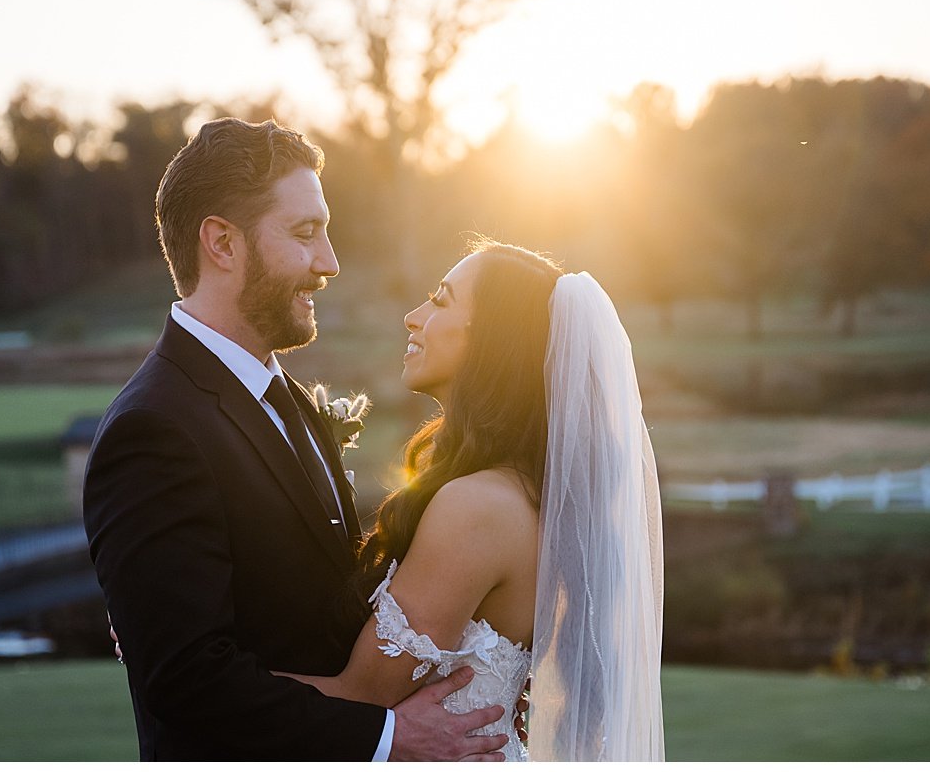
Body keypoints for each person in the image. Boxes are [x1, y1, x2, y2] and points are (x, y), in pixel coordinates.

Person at [82, 118, 508, 760]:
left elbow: (319, 601)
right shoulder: (155, 430)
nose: (329, 263)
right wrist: (387, 737)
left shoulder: (295, 404)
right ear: (222, 243)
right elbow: (184, 681)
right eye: (306, 234)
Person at [276, 238, 665, 761]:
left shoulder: (478, 508)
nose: (412, 318)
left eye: (439, 302)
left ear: (492, 342)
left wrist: (187, 669)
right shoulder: (521, 493)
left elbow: (360, 696)